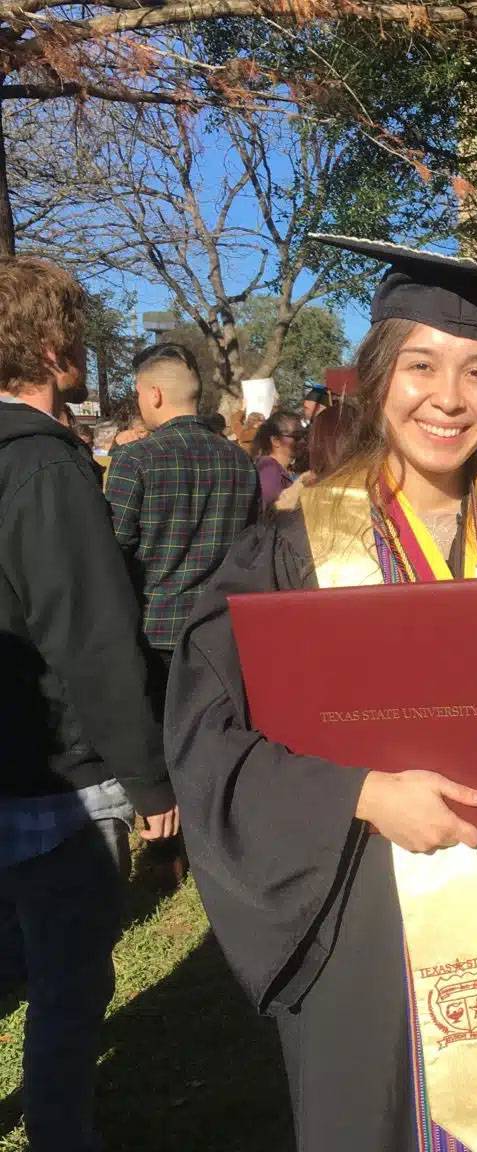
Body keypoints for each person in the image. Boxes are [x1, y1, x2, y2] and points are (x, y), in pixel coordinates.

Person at [165, 241, 477, 1152]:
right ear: (377, 376)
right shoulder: (290, 550)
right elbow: (206, 739)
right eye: (421, 365)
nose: (449, 397)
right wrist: (358, 794)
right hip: (367, 916)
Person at [0, 256, 178, 1152]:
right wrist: (150, 782)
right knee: (69, 980)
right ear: (53, 348)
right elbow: (93, 637)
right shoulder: (44, 469)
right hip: (57, 782)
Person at [104, 342, 260, 720]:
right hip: (223, 632)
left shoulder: (135, 458)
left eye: (139, 393)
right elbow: (252, 549)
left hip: (156, 633)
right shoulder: (240, 460)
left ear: (154, 395)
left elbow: (111, 550)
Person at [252, 409, 306, 508]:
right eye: (297, 436)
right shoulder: (268, 471)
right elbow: (273, 512)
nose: (303, 441)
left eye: (304, 435)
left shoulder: (279, 470)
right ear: (276, 441)